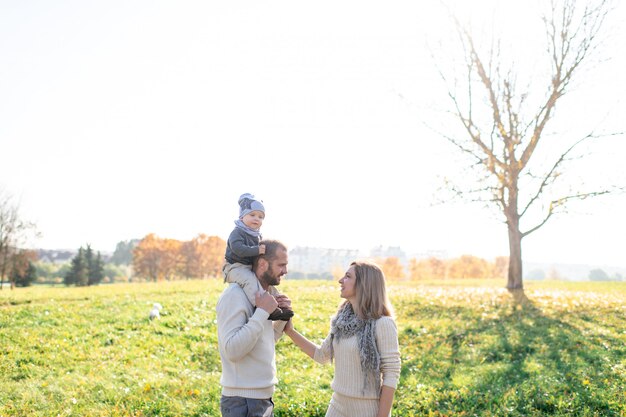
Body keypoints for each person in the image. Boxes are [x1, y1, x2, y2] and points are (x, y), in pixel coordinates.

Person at [283, 261, 401, 417]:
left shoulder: (383, 324)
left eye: (347, 276)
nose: (340, 280)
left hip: (366, 409)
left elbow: (391, 374)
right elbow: (321, 355)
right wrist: (290, 331)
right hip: (337, 405)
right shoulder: (342, 321)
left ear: (363, 284)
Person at [217, 239, 292, 417]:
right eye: (281, 265)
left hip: (263, 398)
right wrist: (262, 312)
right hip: (242, 402)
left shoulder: (264, 295)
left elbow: (263, 341)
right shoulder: (234, 295)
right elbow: (233, 351)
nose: (285, 271)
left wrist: (281, 315)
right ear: (262, 263)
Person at [223, 193, 293, 321]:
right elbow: (238, 249)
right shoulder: (237, 232)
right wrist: (256, 250)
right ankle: (263, 307)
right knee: (250, 281)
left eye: (261, 217)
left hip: (248, 267)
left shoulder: (256, 235)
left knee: (268, 284)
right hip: (235, 267)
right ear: (242, 216)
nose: (257, 219)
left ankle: (279, 305)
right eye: (252, 215)